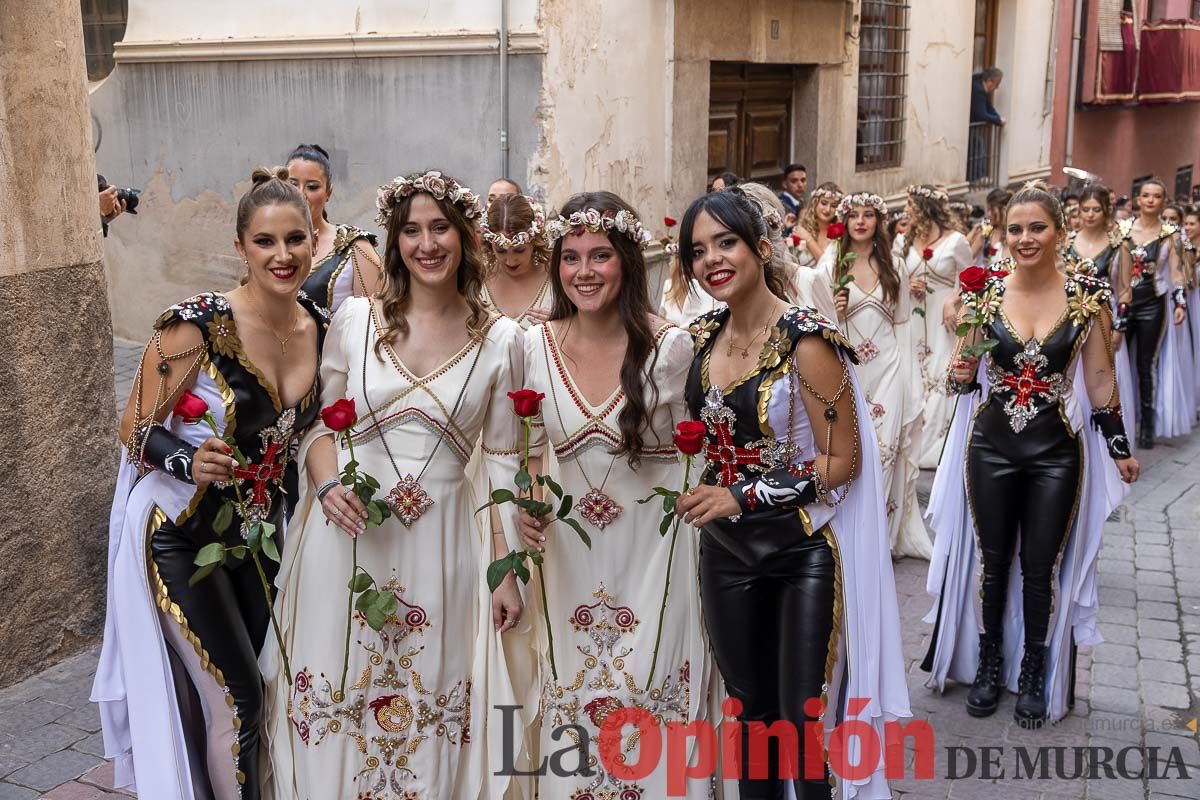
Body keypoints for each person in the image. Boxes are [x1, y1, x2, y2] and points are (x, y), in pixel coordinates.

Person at [262, 170, 527, 799]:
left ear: (464, 237)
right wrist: (327, 490)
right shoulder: (354, 321)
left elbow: (499, 464)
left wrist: (505, 571)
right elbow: (319, 430)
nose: (426, 244)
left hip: (443, 545)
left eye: (440, 228)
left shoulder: (501, 339)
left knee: (429, 697)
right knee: (338, 689)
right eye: (411, 230)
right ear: (395, 238)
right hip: (346, 540)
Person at [93, 167, 328, 798]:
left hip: (259, 539)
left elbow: (314, 436)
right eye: (265, 242)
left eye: (294, 240)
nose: (282, 256)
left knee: (272, 687)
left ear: (313, 240)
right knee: (241, 701)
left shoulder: (321, 327)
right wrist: (184, 461)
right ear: (240, 248)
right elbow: (133, 425)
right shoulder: (196, 324)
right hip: (180, 535)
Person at [673, 189, 909, 798]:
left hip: (800, 554)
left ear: (761, 246)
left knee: (799, 721)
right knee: (747, 715)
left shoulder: (808, 339)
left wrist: (742, 497)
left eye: (726, 243)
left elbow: (842, 462)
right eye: (698, 251)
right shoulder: (699, 339)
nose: (712, 260)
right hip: (724, 554)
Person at [515, 191, 713, 798]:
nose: (583, 272)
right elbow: (523, 449)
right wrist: (524, 502)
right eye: (570, 258)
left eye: (599, 255)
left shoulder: (673, 348)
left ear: (627, 260)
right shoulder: (531, 344)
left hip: (656, 555)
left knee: (648, 686)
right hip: (567, 556)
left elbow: (700, 454)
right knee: (573, 690)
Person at [923, 181, 1138, 728]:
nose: (1025, 238)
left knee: (1041, 566)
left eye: (1037, 227)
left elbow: (1099, 379)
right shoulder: (984, 296)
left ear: (1059, 232)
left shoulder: (1087, 297)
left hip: (1055, 453)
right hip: (991, 446)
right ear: (1003, 234)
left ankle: (1035, 669)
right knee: (993, 563)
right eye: (1015, 229)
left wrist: (1118, 448)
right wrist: (959, 369)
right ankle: (991, 664)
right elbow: (961, 380)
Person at [821, 192, 930, 559]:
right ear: (845, 222)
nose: (861, 221)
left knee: (884, 451)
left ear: (878, 221)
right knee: (851, 452)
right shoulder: (830, 265)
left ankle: (876, 541)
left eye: (869, 214)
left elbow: (903, 324)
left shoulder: (895, 266)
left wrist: (910, 378)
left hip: (889, 369)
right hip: (848, 371)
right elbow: (815, 322)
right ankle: (848, 531)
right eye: (854, 215)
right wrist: (832, 310)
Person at [899, 184, 974, 468]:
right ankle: (912, 440)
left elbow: (970, 281)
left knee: (940, 372)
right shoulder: (903, 241)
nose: (906, 211)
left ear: (923, 208)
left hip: (943, 318)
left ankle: (936, 445)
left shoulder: (956, 241)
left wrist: (951, 301)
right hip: (913, 317)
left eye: (910, 205)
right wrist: (907, 285)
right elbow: (895, 277)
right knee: (914, 372)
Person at [1123, 179, 1190, 446]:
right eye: (1146, 195)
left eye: (1157, 196)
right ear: (1138, 199)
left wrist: (1180, 303)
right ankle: (1117, 420)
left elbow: (1176, 272)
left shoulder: (1171, 233)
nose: (1150, 200)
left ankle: (1146, 427)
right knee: (1116, 361)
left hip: (1153, 303)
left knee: (1145, 363)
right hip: (1124, 302)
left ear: (1164, 201)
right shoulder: (1122, 229)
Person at [286, 144, 382, 312]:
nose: (300, 194)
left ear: (328, 193)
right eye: (293, 184)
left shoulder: (355, 246)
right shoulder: (266, 244)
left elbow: (374, 323)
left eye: (312, 186)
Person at [480, 193, 554, 329]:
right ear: (490, 244)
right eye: (500, 251)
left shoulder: (557, 279)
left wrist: (563, 323)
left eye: (519, 250)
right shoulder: (476, 281)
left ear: (534, 241)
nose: (510, 261)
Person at [792, 181, 843, 267]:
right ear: (815, 203)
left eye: (833, 206)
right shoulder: (802, 229)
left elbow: (829, 268)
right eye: (824, 203)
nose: (827, 209)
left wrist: (809, 239)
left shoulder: (840, 234)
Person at [968, 187, 1012, 264]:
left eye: (992, 210)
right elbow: (968, 257)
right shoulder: (986, 230)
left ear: (1003, 210)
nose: (988, 214)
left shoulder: (1014, 231)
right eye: (988, 210)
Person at [778, 162, 807, 231]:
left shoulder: (803, 202)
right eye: (794, 181)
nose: (800, 185)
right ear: (785, 184)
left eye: (803, 180)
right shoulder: (781, 205)